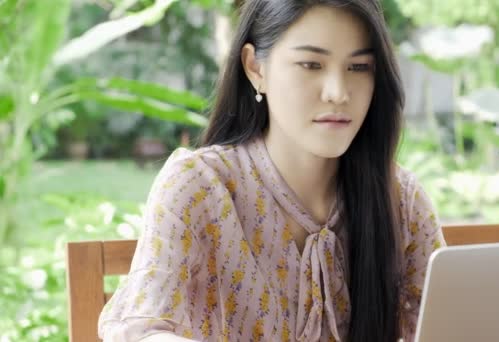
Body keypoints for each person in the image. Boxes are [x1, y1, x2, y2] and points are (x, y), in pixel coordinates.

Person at [98, 0, 445, 341]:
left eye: (359, 67)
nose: (338, 93)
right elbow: (141, 329)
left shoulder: (400, 197)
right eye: (311, 64)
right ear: (255, 68)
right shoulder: (200, 185)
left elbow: (451, 324)